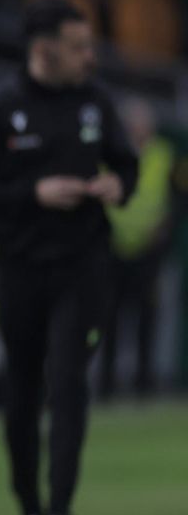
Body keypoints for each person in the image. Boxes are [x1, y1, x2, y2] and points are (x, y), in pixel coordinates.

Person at [0, 0, 137, 515]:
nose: (90, 57)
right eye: (78, 47)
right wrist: (34, 193)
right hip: (21, 268)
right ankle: (29, 513)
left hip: (83, 265)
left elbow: (126, 163)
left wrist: (118, 185)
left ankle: (60, 512)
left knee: (68, 381)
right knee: (24, 388)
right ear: (44, 50)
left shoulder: (95, 101)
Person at [99, 97, 180, 398]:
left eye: (144, 123)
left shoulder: (164, 153)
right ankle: (106, 384)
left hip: (150, 250)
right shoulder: (110, 151)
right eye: (134, 123)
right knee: (109, 317)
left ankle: (144, 383)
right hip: (112, 248)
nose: (139, 128)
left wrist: (164, 230)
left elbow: (176, 198)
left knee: (147, 316)